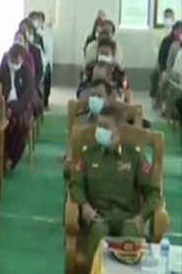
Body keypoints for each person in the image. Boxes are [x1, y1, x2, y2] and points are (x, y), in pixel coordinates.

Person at [68, 106, 160, 268]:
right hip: (98, 217)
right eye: (98, 125)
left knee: (130, 237)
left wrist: (141, 217)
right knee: (98, 234)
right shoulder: (89, 154)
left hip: (128, 218)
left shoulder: (134, 156)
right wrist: (84, 205)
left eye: (105, 127)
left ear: (118, 131)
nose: (99, 130)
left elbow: (153, 192)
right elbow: (76, 183)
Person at [0, 44, 34, 171]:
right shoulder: (2, 72)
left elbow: (26, 98)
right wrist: (4, 108)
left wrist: (12, 109)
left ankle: (13, 158)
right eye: (11, 61)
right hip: (4, 107)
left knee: (21, 125)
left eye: (16, 62)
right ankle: (4, 157)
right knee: (1, 125)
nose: (13, 64)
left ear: (22, 58)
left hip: (21, 108)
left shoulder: (27, 73)